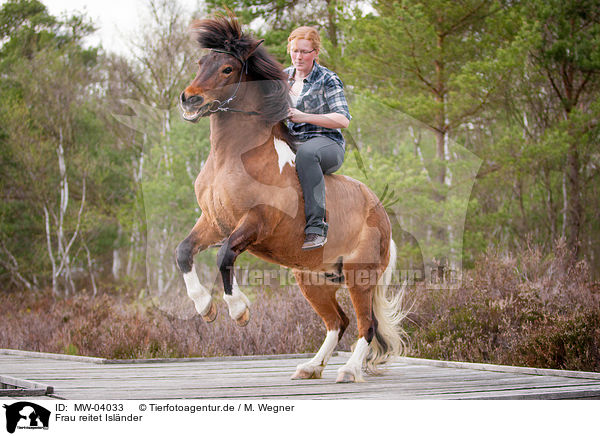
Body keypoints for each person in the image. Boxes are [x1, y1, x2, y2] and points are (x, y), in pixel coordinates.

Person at [284, 26, 351, 250]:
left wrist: (304, 116)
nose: (298, 57)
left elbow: (343, 119)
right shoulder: (283, 78)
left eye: (304, 51)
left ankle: (317, 227)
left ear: (315, 52)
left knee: (307, 153)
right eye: (295, 51)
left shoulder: (328, 79)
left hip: (327, 145)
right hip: (291, 142)